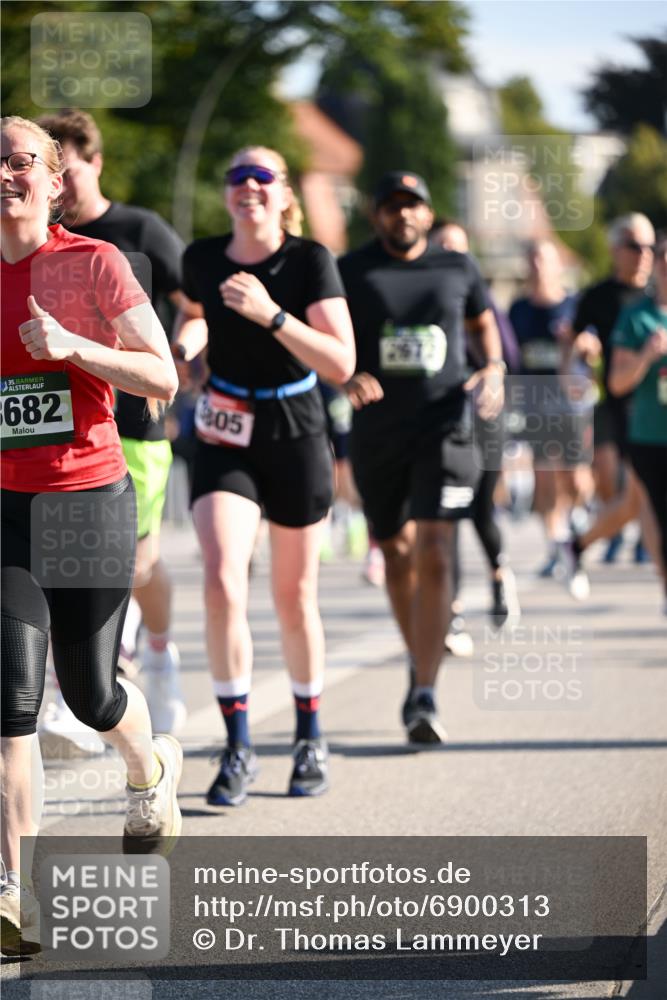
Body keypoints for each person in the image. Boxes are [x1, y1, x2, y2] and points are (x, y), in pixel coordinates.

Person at [0, 116, 182, 955]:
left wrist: (73, 345)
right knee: (12, 705)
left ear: (55, 180)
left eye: (20, 161)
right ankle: (15, 894)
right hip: (7, 508)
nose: (6, 175)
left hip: (86, 500)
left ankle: (149, 767)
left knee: (89, 695)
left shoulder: (95, 262)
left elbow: (162, 376)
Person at [172, 146, 355, 805]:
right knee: (222, 580)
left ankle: (309, 734)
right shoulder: (202, 257)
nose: (247, 185)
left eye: (262, 177)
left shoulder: (308, 261)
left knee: (293, 595)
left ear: (283, 195)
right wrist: (184, 346)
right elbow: (196, 314)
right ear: (227, 192)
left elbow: (340, 362)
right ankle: (238, 744)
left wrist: (271, 314)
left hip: (294, 428)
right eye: (237, 176)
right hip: (224, 429)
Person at [35, 108, 190, 736]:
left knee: (134, 564)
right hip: (62, 428)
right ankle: (83, 686)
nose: (62, 186)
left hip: (135, 420)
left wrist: (182, 350)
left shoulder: (137, 231)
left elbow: (194, 304)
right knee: (63, 564)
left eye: (70, 170)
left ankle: (151, 658)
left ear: (94, 164)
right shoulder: (28, 240)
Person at [339, 171, 504, 744]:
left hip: (445, 427)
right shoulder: (351, 270)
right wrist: (343, 375)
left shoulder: (458, 267)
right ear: (376, 215)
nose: (402, 214)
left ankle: (425, 690)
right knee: (396, 553)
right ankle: (420, 659)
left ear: (429, 215)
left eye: (413, 205)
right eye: (391, 205)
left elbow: (483, 323)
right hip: (378, 431)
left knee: (435, 549)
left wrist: (494, 368)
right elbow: (327, 335)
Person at [430, 220, 520, 634]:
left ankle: (499, 576)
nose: (451, 254)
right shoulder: (424, 301)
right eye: (442, 246)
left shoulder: (483, 303)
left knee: (482, 513)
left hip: (483, 418)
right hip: (442, 422)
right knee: (445, 516)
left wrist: (490, 371)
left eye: (458, 247)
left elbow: (509, 359)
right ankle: (452, 611)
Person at [561, 214, 661, 582]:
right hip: (618, 407)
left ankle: (578, 544)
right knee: (636, 496)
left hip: (657, 407)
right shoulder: (598, 296)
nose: (644, 254)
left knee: (635, 500)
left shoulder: (658, 294)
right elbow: (569, 340)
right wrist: (576, 359)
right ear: (615, 249)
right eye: (635, 246)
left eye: (651, 247)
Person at [509, 239, 594, 596]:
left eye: (543, 259)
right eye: (531, 259)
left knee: (575, 481)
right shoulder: (518, 310)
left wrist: (581, 345)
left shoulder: (574, 305)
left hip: (571, 405)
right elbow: (510, 355)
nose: (537, 266)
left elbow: (593, 348)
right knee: (544, 481)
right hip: (534, 405)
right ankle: (554, 546)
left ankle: (576, 521)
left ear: (558, 265)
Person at [609, 231, 667, 613]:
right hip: (651, 436)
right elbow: (616, 383)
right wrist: (646, 356)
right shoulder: (636, 317)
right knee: (661, 520)